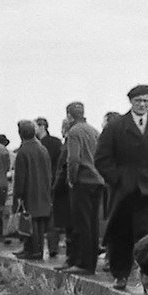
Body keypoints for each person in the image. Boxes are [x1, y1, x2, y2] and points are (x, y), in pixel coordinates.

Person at [94, 84, 148, 290]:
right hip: (124, 192)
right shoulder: (115, 127)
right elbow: (102, 159)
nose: (142, 105)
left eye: (146, 100)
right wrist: (118, 179)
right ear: (130, 102)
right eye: (138, 101)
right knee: (120, 233)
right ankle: (120, 275)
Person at [57, 103, 105, 275]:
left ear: (69, 115)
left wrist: (71, 179)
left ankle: (83, 263)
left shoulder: (74, 132)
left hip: (83, 181)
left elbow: (73, 159)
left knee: (81, 223)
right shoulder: (94, 131)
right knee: (92, 224)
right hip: (97, 180)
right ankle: (90, 262)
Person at [13, 119, 52, 260]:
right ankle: (38, 250)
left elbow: (20, 177)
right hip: (43, 188)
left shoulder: (23, 151)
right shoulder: (42, 148)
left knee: (30, 221)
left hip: (30, 190)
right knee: (40, 221)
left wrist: (18, 194)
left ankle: (31, 250)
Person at [36, 117, 66, 257]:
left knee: (40, 215)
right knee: (53, 215)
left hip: (42, 183)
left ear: (41, 127)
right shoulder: (56, 142)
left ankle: (37, 247)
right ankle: (52, 247)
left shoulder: (39, 144)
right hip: (55, 181)